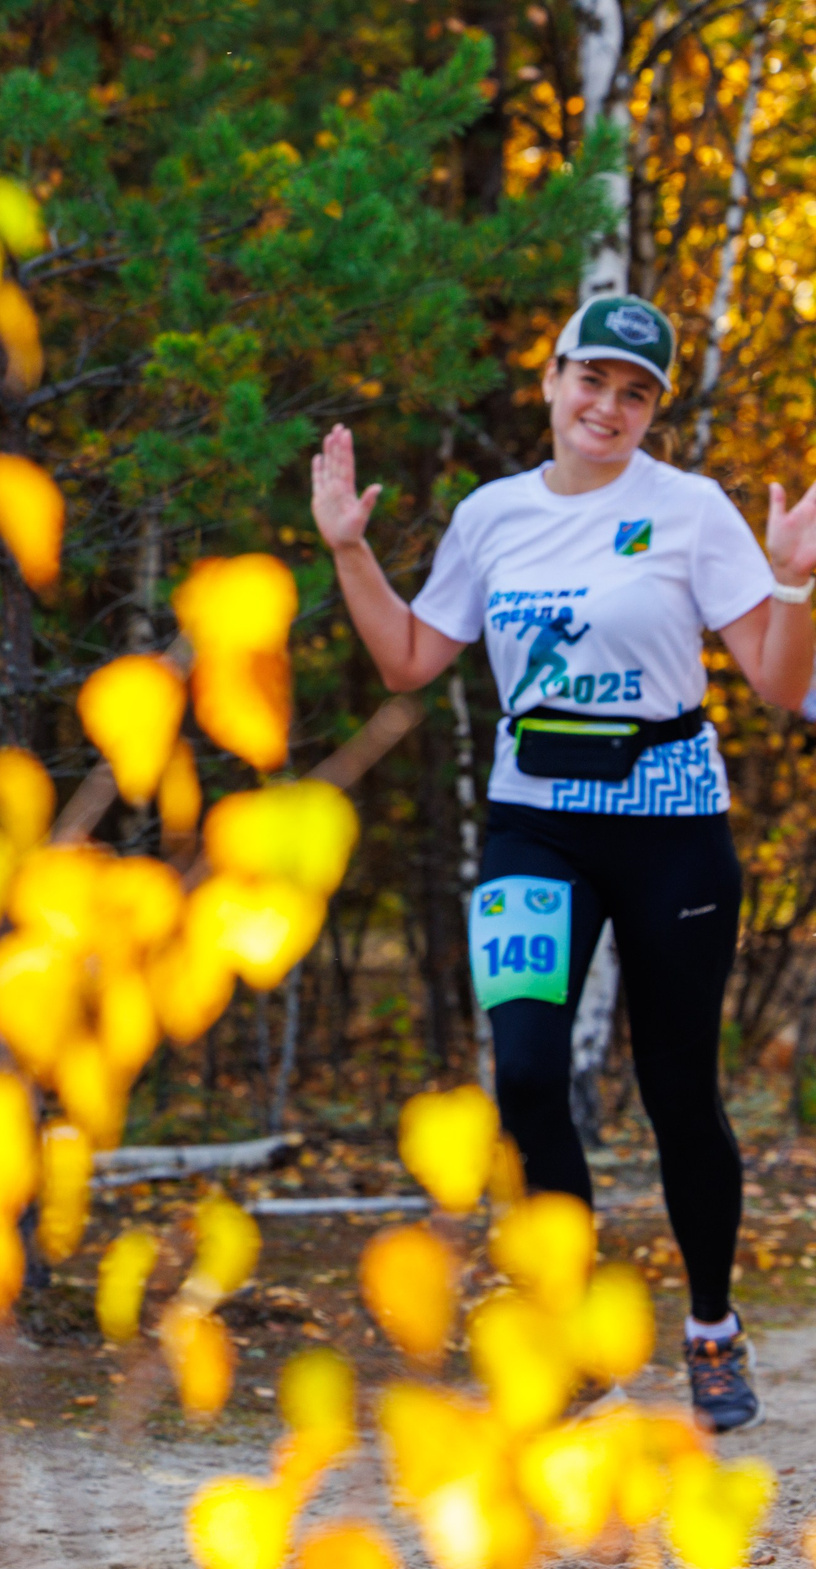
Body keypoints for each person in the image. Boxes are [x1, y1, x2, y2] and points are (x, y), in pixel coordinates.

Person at [310, 294, 816, 1433]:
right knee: (529, 1075)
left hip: (671, 826)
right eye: (592, 379)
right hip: (532, 823)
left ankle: (712, 1326)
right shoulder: (492, 518)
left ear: (652, 411)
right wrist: (347, 551)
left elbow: (780, 686)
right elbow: (403, 660)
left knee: (676, 1090)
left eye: (635, 392)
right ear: (549, 378)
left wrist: (790, 582)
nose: (609, 406)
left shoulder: (689, 511)